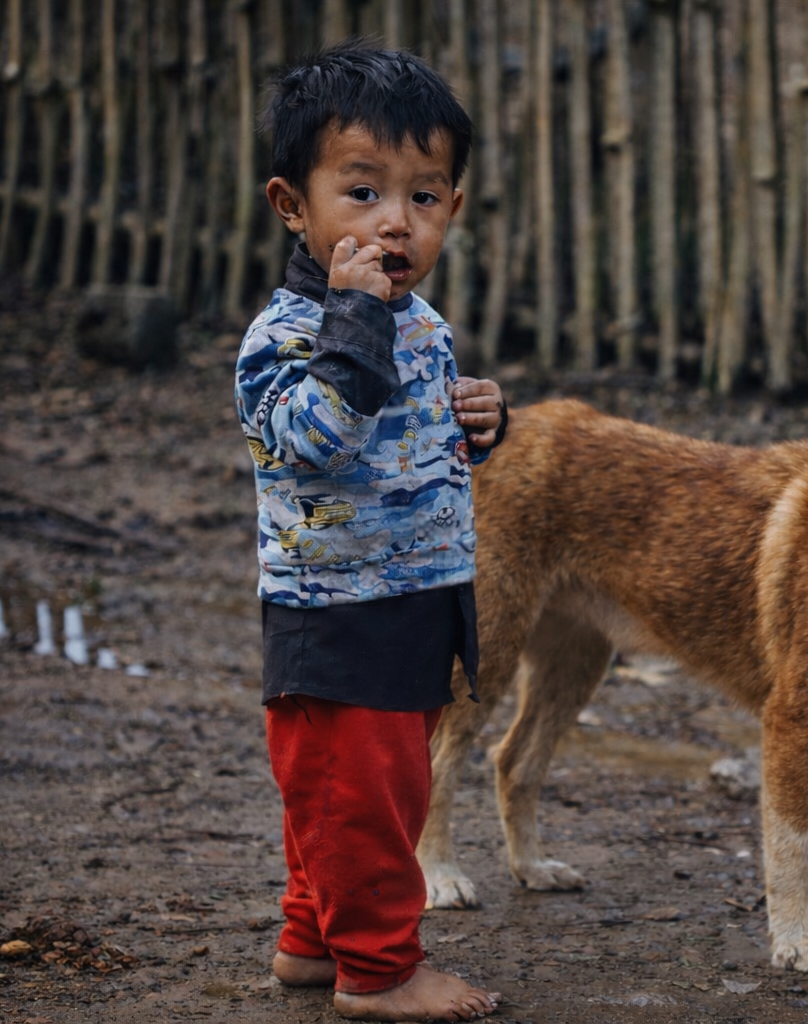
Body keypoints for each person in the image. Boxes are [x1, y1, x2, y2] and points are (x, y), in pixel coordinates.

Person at [235, 41, 505, 1022]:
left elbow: (406, 455)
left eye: (424, 197)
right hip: (335, 614)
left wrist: (477, 424)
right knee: (366, 799)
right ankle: (379, 970)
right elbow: (313, 438)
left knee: (365, 791)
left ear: (453, 210)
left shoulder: (419, 322)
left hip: (416, 601)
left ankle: (313, 940)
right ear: (292, 205)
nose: (396, 219)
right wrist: (354, 320)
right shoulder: (291, 334)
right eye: (362, 192)